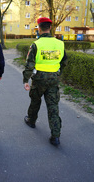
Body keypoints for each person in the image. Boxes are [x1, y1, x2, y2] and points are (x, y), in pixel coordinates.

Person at [23, 17, 67, 146]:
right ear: (50, 28)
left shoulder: (36, 44)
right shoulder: (60, 43)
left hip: (39, 79)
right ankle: (55, 136)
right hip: (54, 79)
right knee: (53, 106)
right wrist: (58, 74)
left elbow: (29, 64)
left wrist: (26, 79)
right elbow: (64, 62)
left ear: (39, 28)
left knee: (35, 101)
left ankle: (31, 121)